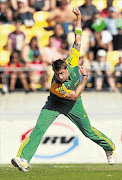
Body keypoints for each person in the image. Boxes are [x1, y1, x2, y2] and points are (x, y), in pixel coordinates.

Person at [11, 7, 117, 172]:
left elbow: (78, 38)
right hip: (55, 103)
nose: (60, 76)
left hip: (74, 104)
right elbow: (73, 94)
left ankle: (109, 147)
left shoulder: (73, 60)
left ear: (67, 68)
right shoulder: (55, 86)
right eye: (57, 74)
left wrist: (79, 18)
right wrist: (85, 78)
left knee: (88, 132)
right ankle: (23, 159)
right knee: (38, 129)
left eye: (61, 73)